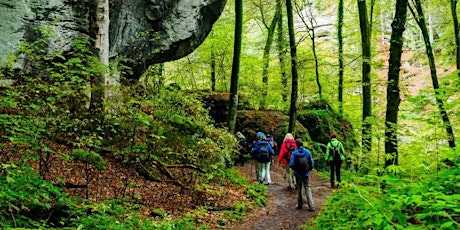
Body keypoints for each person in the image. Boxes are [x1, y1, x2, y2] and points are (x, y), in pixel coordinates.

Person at [289, 138, 315, 211]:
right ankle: (311, 205)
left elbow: (291, 164)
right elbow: (311, 162)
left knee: (299, 188)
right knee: (307, 187)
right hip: (306, 173)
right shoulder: (307, 151)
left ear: (296, 144)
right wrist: (309, 169)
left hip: (298, 174)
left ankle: (300, 204)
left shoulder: (294, 153)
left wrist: (295, 169)